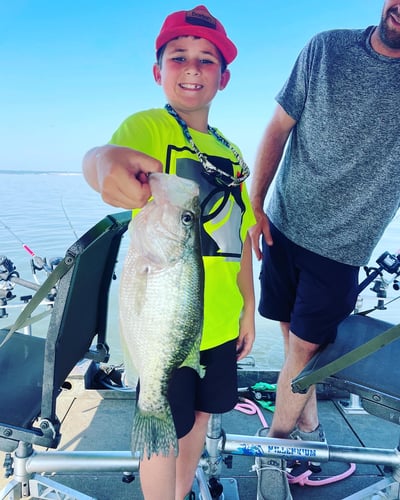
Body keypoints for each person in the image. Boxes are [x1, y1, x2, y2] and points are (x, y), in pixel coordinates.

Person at [82, 6, 256, 500]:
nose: (193, 68)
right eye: (179, 57)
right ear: (159, 72)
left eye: (207, 59)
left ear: (223, 78)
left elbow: (240, 240)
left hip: (220, 321)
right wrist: (105, 165)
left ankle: (181, 492)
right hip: (163, 322)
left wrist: (248, 312)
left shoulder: (233, 152)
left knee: (201, 417)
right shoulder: (149, 128)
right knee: (162, 431)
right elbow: (102, 161)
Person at [249, 0, 400, 497]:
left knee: (307, 347)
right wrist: (256, 205)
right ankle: (309, 427)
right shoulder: (326, 48)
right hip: (284, 222)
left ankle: (275, 449)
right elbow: (277, 128)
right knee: (294, 340)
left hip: (344, 244)